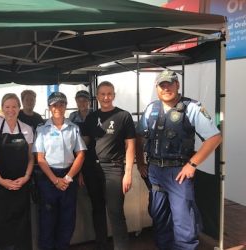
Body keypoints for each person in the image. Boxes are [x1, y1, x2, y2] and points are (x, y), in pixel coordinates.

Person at [135, 70, 222, 250]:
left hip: (179, 173)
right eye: (162, 85)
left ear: (177, 85)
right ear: (157, 88)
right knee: (159, 218)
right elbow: (139, 136)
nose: (166, 88)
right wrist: (141, 163)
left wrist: (192, 164)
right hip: (155, 173)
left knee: (183, 222)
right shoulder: (151, 108)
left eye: (170, 84)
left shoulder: (192, 108)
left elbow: (214, 138)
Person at [82, 81, 136, 250]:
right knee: (97, 210)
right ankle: (101, 245)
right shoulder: (91, 118)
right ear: (97, 96)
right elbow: (84, 145)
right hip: (92, 169)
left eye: (109, 94)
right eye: (102, 94)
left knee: (116, 212)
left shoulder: (124, 116)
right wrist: (80, 171)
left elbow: (131, 146)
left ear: (114, 95)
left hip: (114, 169)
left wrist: (128, 173)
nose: (106, 97)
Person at [33, 92, 86, 250]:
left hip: (69, 177)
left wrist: (68, 178)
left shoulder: (73, 128)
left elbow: (81, 154)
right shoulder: (42, 129)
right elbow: (40, 158)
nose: (58, 108)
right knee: (47, 220)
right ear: (49, 107)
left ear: (66, 106)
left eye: (61, 104)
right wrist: (55, 180)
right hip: (48, 178)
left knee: (67, 220)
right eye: (54, 105)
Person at [0, 93, 34, 250]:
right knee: (0, 225)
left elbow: (31, 158)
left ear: (19, 108)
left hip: (21, 185)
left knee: (21, 225)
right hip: (0, 187)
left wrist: (26, 177)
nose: (11, 110)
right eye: (7, 107)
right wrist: (1, 180)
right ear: (2, 108)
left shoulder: (27, 129)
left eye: (14, 107)